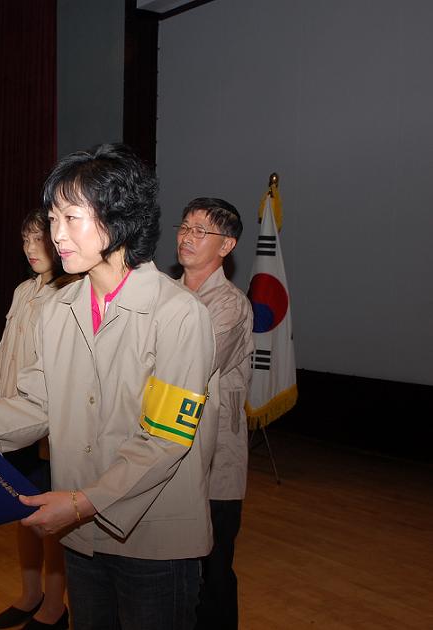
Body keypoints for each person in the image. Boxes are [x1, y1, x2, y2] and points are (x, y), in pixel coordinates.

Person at [0, 143, 215, 630]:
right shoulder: (57, 308)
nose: (56, 235)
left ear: (119, 221)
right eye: (53, 218)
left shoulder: (177, 314)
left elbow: (165, 438)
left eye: (72, 218)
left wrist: (81, 501)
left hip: (154, 539)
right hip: (79, 533)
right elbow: (38, 402)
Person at [0, 209, 75, 630]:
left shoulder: (70, 292)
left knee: (49, 519)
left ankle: (55, 606)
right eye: (24, 241)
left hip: (45, 425)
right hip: (11, 416)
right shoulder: (24, 290)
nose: (31, 249)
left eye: (39, 240)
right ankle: (29, 594)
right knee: (20, 510)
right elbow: (6, 352)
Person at [175, 198, 254, 630]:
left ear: (227, 245)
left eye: (201, 231)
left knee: (214, 565)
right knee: (174, 566)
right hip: (168, 449)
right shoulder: (167, 293)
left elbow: (191, 368)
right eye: (184, 226)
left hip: (214, 459)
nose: (187, 236)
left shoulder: (228, 304)